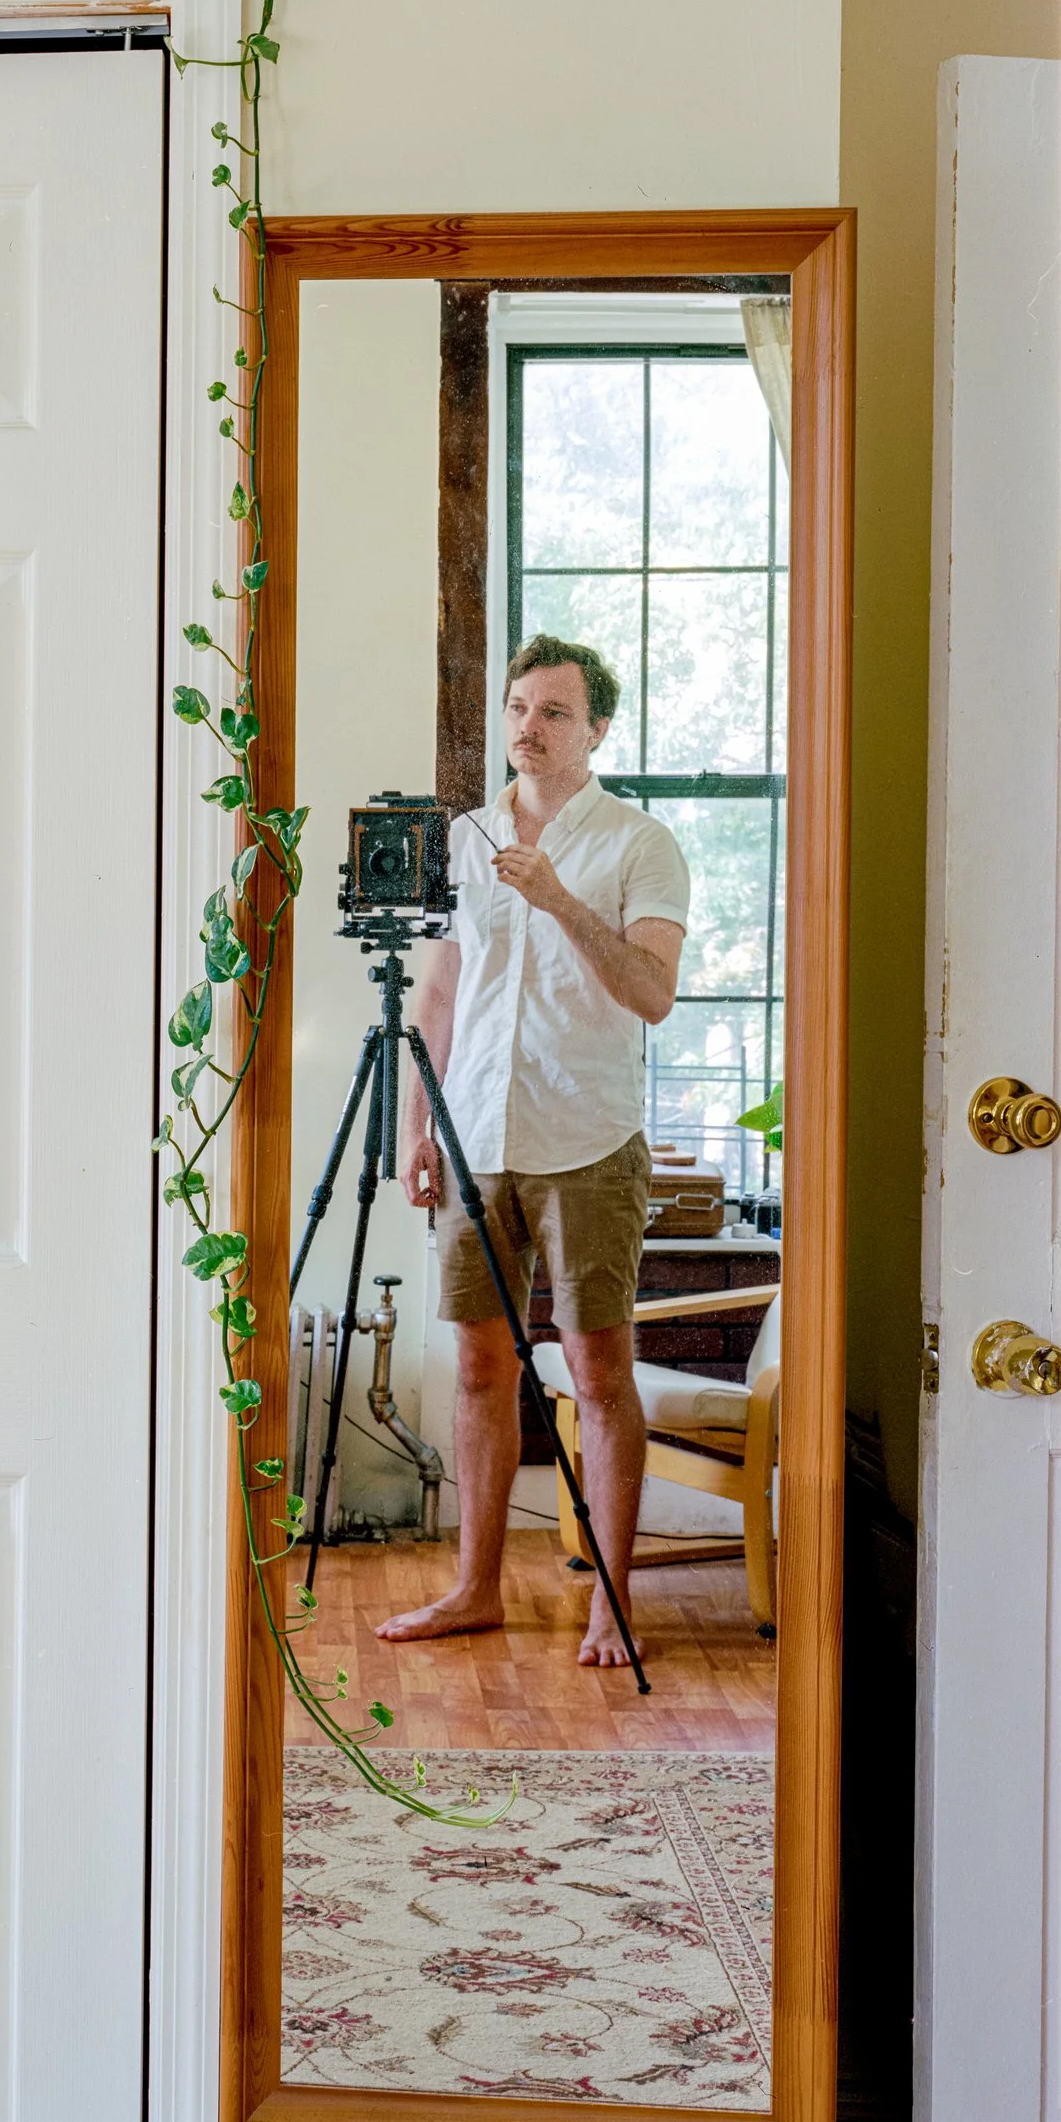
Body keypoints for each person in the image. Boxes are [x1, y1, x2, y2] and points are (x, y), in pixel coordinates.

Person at [376, 637, 690, 1668]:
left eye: (553, 710)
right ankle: (473, 1588)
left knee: (599, 1370)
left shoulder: (639, 844)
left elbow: (650, 993)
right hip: (475, 1138)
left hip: (586, 1139)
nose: (527, 726)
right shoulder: (462, 837)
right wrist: (414, 1124)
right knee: (476, 1365)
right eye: (518, 706)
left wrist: (556, 895)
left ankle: (611, 1602)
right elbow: (439, 992)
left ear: (597, 728)